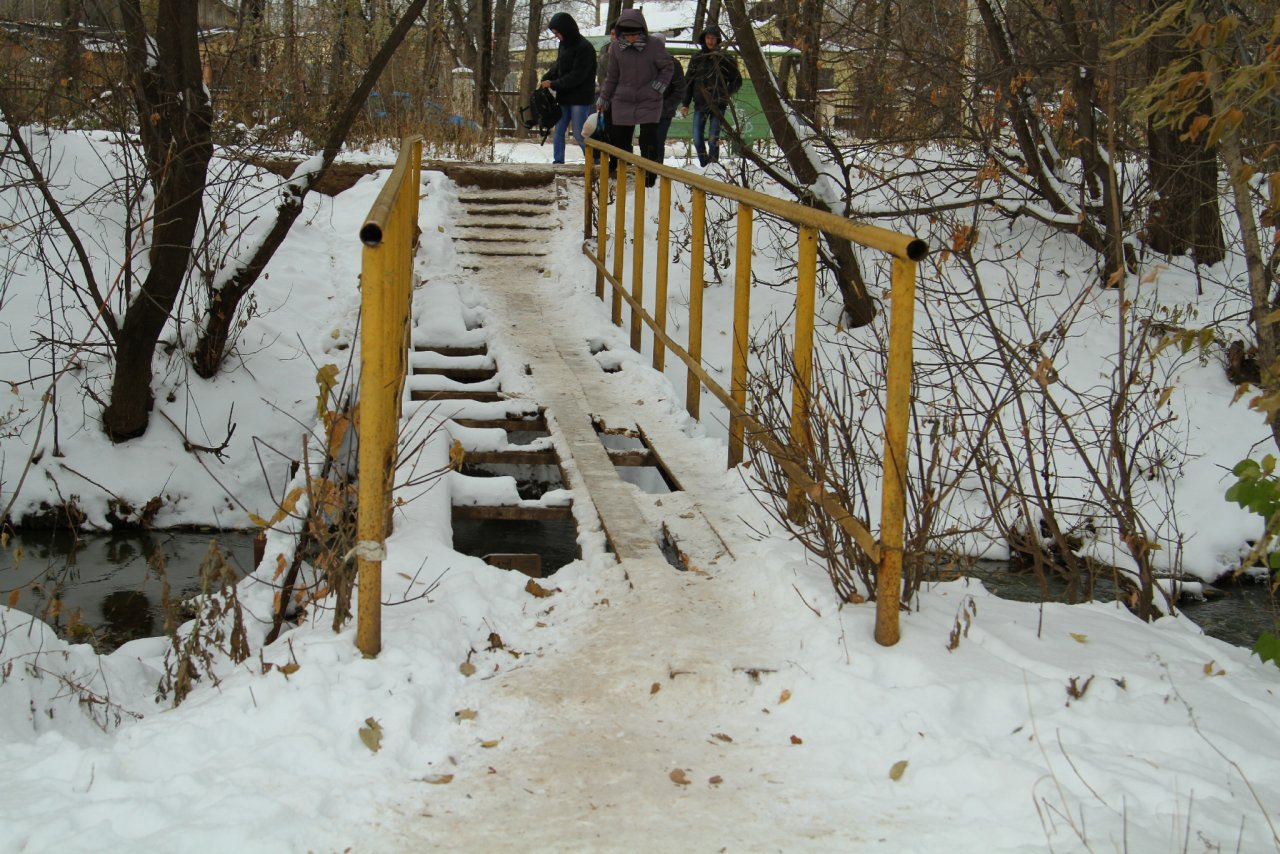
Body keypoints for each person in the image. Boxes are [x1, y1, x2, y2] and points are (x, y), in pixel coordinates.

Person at [597, 9, 673, 187]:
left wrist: (657, 87)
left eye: (634, 35)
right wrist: (604, 99)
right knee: (621, 141)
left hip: (649, 99)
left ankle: (649, 178)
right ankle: (622, 175)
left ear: (642, 32)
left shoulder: (654, 45)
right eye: (627, 35)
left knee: (648, 139)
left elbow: (668, 68)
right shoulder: (616, 48)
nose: (631, 39)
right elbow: (612, 76)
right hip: (623, 100)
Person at [680, 25, 742, 167]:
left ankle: (713, 165)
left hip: (718, 104)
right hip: (700, 103)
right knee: (697, 138)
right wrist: (685, 103)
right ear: (704, 39)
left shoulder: (725, 58)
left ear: (718, 40)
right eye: (708, 37)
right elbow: (688, 81)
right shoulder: (697, 58)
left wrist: (725, 94)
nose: (710, 41)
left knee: (714, 138)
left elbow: (736, 80)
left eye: (713, 38)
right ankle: (704, 165)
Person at [540, 12, 597, 164]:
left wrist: (553, 84)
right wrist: (547, 77)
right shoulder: (563, 45)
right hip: (564, 96)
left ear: (566, 30)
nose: (556, 36)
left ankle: (593, 160)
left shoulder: (584, 48)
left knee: (579, 133)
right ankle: (558, 162)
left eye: (557, 33)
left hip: (580, 98)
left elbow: (577, 76)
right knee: (559, 130)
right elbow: (559, 66)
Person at [655, 51, 685, 168]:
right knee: (647, 141)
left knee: (658, 141)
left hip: (664, 111)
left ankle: (656, 171)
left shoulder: (673, 64)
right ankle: (647, 171)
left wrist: (666, 105)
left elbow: (680, 89)